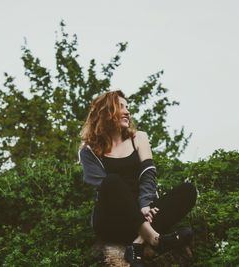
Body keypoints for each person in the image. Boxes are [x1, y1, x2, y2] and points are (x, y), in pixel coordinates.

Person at [78, 90, 197, 267]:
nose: (127, 112)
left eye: (128, 107)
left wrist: (145, 205)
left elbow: (148, 174)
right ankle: (156, 240)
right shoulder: (88, 150)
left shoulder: (139, 138)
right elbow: (102, 187)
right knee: (111, 181)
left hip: (144, 210)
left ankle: (137, 245)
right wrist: (140, 209)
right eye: (120, 107)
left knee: (188, 190)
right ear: (104, 112)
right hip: (112, 222)